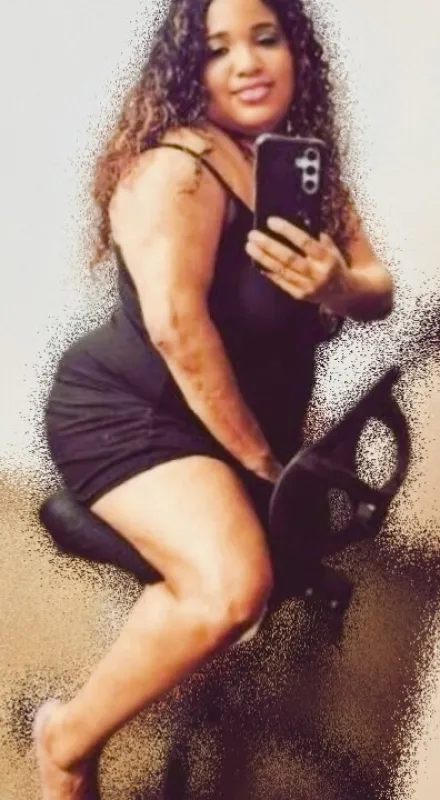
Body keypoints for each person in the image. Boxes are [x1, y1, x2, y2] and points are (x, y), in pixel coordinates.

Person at [34, 0, 394, 796]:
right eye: (216, 49)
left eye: (265, 38)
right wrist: (267, 465)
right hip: (133, 414)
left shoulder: (301, 171)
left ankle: (147, 693)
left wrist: (337, 284)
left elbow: (378, 288)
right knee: (233, 588)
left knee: (222, 601)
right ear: (187, 72)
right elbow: (178, 335)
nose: (247, 63)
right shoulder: (180, 170)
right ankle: (65, 742)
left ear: (296, 52)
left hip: (225, 425)